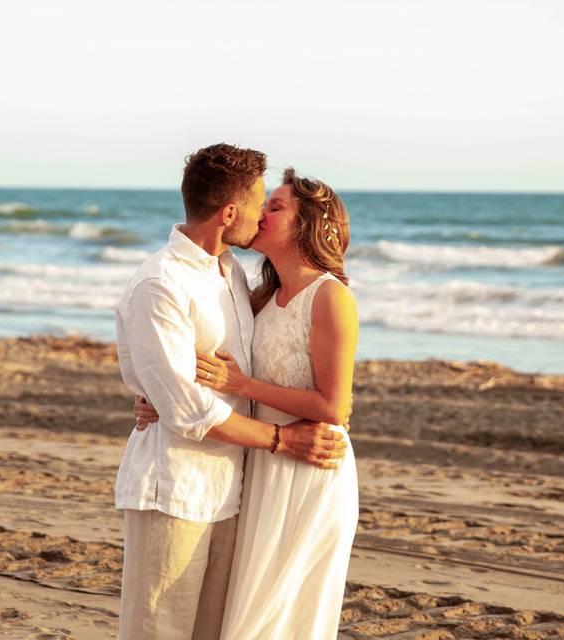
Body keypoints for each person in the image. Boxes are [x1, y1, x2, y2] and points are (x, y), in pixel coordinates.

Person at [115, 144, 348, 640]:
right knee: (157, 632)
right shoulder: (161, 284)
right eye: (260, 202)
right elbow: (186, 408)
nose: (262, 213)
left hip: (234, 492)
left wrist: (161, 391)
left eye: (273, 205)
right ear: (228, 213)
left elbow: (233, 376)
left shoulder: (231, 273)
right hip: (176, 490)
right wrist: (284, 441)